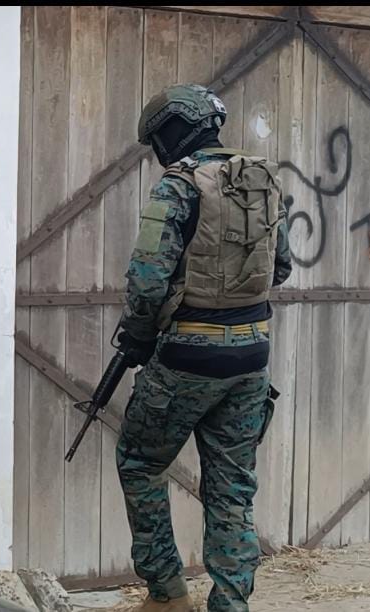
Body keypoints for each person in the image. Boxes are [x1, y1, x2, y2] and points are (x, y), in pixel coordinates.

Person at [115, 84, 292, 612]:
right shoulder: (261, 180)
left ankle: (167, 596)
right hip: (252, 357)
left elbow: (148, 281)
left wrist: (138, 338)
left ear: (173, 132)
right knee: (232, 487)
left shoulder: (179, 185)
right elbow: (280, 268)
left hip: (187, 357)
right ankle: (231, 604)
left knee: (139, 462)